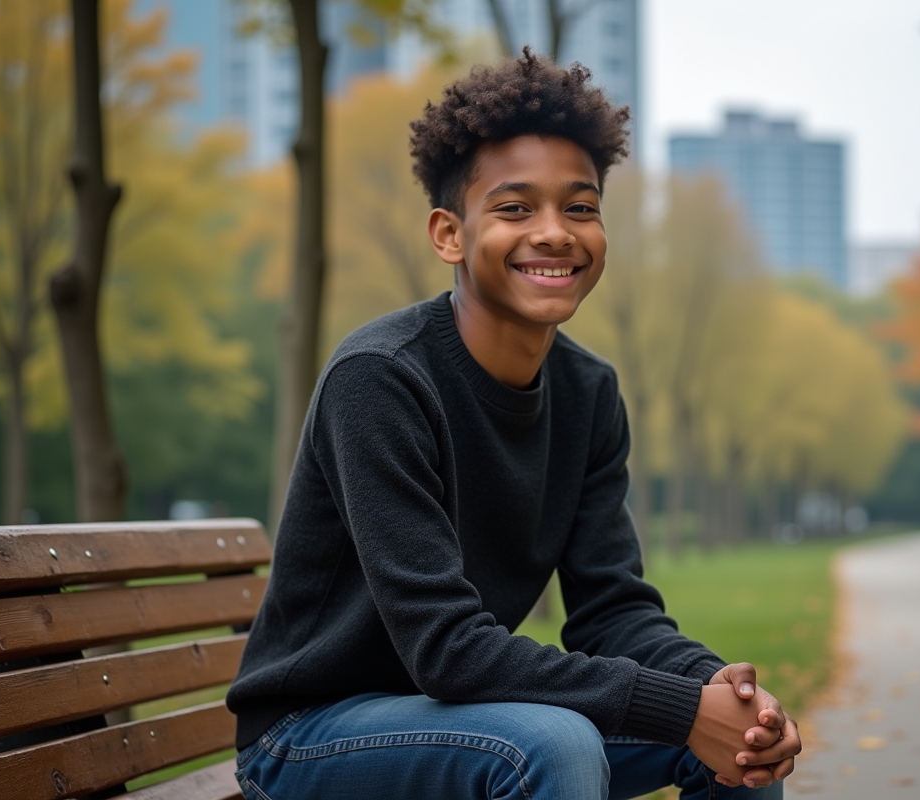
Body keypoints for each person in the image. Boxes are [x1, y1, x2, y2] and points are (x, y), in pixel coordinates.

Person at [227, 48, 802, 800]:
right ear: (449, 235)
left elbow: (612, 610)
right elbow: (448, 650)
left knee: (740, 743)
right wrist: (678, 706)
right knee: (553, 745)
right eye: (515, 207)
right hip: (308, 734)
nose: (556, 232)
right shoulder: (379, 379)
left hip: (461, 713)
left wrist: (719, 691)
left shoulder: (588, 392)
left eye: (581, 206)